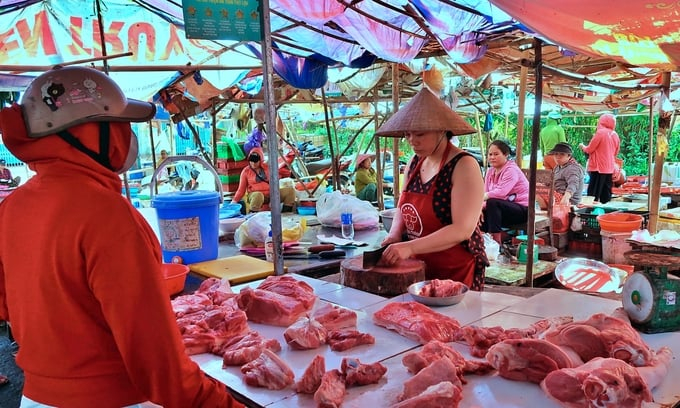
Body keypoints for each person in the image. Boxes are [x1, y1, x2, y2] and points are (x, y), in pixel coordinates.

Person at [0, 66, 244, 408]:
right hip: (114, 399)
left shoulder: (12, 207)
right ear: (89, 133)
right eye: (121, 125)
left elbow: (8, 306)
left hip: (36, 398)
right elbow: (157, 360)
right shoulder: (108, 214)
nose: (129, 137)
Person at [377, 87, 488, 291]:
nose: (412, 141)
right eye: (408, 134)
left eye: (419, 133)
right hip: (418, 265)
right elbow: (403, 206)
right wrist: (394, 235)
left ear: (441, 129)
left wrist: (409, 247)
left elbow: (462, 230)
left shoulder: (464, 165)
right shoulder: (413, 162)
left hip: (455, 269)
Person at [482, 140, 530, 244]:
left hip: (523, 210)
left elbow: (501, 193)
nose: (492, 157)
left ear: (506, 155)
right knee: (480, 212)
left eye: (496, 154)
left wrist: (483, 198)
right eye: (490, 154)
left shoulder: (511, 170)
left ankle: (496, 243)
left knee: (493, 202)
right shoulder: (490, 171)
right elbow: (486, 191)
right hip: (503, 210)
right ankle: (486, 241)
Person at [232, 147, 296, 213]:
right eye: (251, 161)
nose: (253, 163)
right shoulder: (245, 171)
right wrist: (233, 202)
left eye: (256, 161)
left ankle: (285, 215)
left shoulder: (268, 168)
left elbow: (275, 183)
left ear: (260, 160)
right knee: (258, 195)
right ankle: (253, 216)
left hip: (270, 194)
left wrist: (273, 198)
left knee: (290, 191)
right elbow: (241, 190)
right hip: (255, 195)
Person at [579, 113, 620, 204]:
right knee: (606, 193)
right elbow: (616, 152)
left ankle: (590, 212)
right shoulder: (615, 135)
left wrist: (582, 147)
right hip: (609, 168)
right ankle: (606, 213)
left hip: (598, 168)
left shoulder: (600, 133)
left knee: (593, 194)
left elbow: (590, 149)